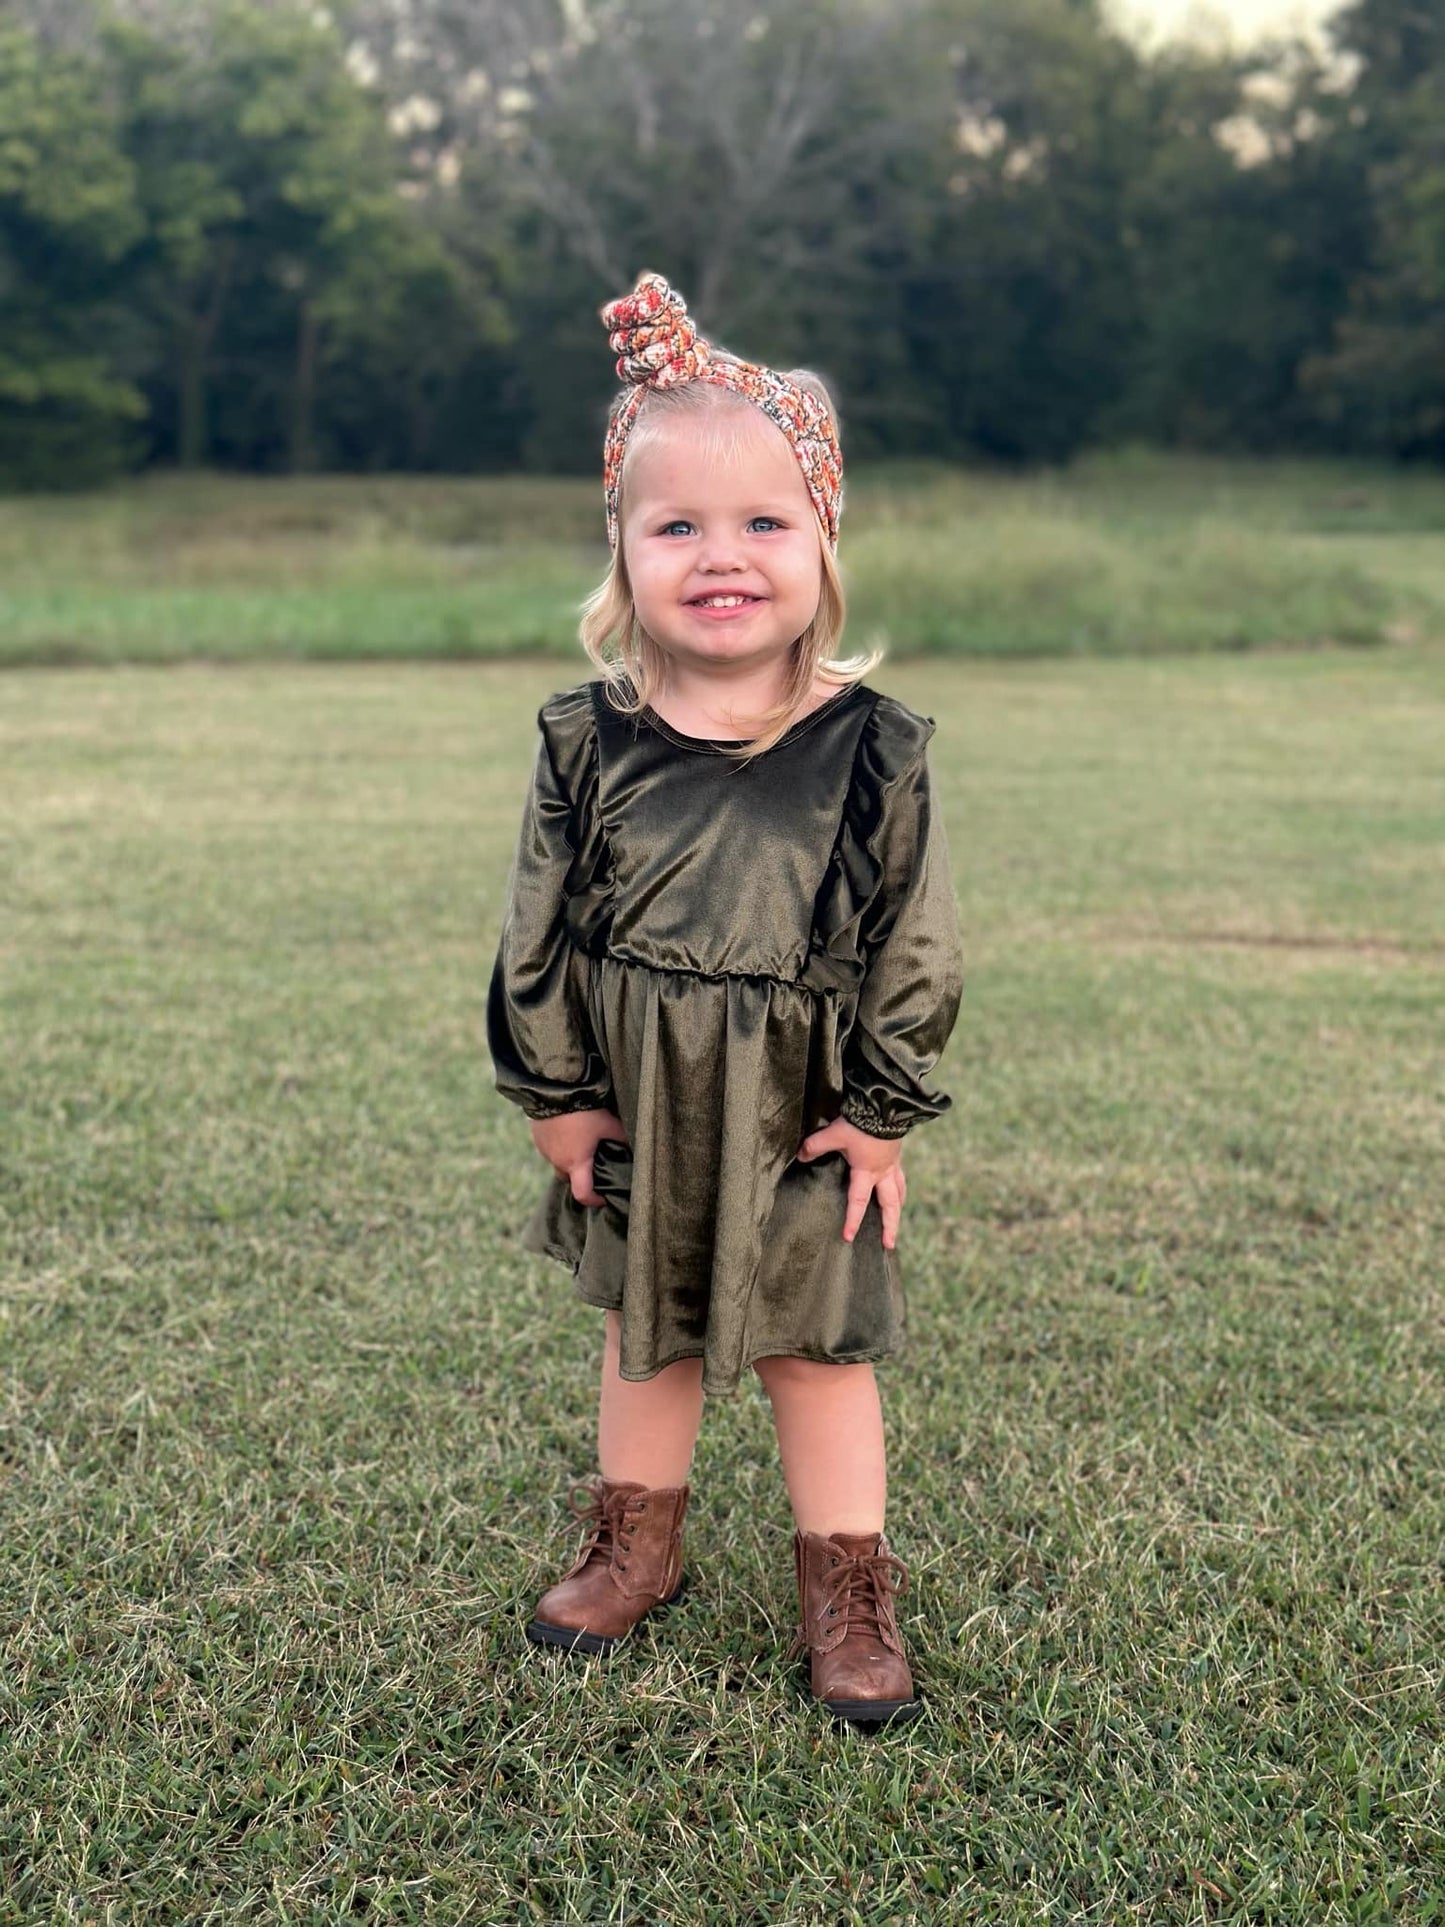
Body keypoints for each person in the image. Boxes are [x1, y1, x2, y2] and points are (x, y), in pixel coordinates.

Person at [486, 270, 963, 1729]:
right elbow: (538, 928)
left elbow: (913, 937)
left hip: (806, 1101)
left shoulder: (871, 747)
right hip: (641, 1083)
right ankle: (639, 1543)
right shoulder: (587, 742)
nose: (720, 555)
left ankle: (847, 1584)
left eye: (763, 522)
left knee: (814, 1350)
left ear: (823, 544)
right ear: (621, 552)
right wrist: (560, 1092)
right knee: (648, 1328)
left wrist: (880, 1115)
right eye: (674, 525)